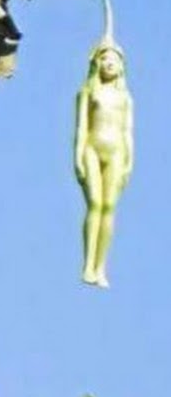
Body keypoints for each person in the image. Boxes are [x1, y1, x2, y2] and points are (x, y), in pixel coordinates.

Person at [74, 40, 134, 287]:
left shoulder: (125, 97)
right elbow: (81, 128)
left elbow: (128, 131)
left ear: (121, 66)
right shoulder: (88, 91)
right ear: (96, 63)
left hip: (117, 152)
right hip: (92, 149)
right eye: (105, 58)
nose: (109, 63)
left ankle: (101, 267)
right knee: (95, 204)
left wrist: (130, 160)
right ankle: (87, 265)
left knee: (109, 206)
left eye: (114, 59)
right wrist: (78, 156)